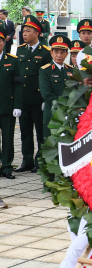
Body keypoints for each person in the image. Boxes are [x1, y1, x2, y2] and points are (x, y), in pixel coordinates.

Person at [15, 15, 51, 174]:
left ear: (37, 33)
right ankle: (26, 160)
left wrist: (45, 99)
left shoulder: (45, 52)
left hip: (38, 99)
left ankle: (40, 161)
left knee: (41, 133)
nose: (24, 34)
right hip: (24, 98)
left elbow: (47, 76)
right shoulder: (20, 50)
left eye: (28, 31)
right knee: (25, 132)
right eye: (23, 31)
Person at [39, 35, 74, 139]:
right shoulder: (45, 70)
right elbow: (47, 95)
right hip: (52, 114)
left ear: (67, 54)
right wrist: (65, 103)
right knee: (51, 144)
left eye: (62, 52)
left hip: (69, 114)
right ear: (51, 53)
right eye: (56, 52)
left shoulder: (71, 70)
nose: (59, 55)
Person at [0, 27, 21, 179]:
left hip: (7, 106)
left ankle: (7, 166)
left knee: (8, 138)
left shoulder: (12, 61)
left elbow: (18, 85)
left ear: (4, 43)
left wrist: (17, 105)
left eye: (0, 41)